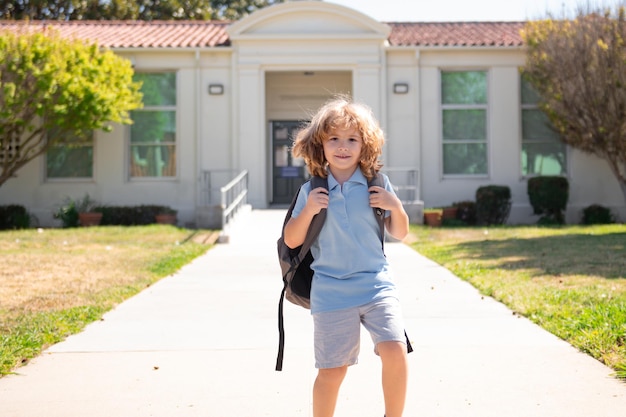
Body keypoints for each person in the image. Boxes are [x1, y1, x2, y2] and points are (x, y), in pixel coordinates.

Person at [283, 97, 410, 417]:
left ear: (364, 145)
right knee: (333, 370)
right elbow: (292, 239)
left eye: (352, 139)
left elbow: (401, 232)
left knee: (395, 350)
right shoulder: (312, 189)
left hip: (376, 284)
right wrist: (310, 209)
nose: (343, 147)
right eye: (334, 139)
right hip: (331, 290)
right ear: (320, 145)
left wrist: (395, 205)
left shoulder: (377, 185)